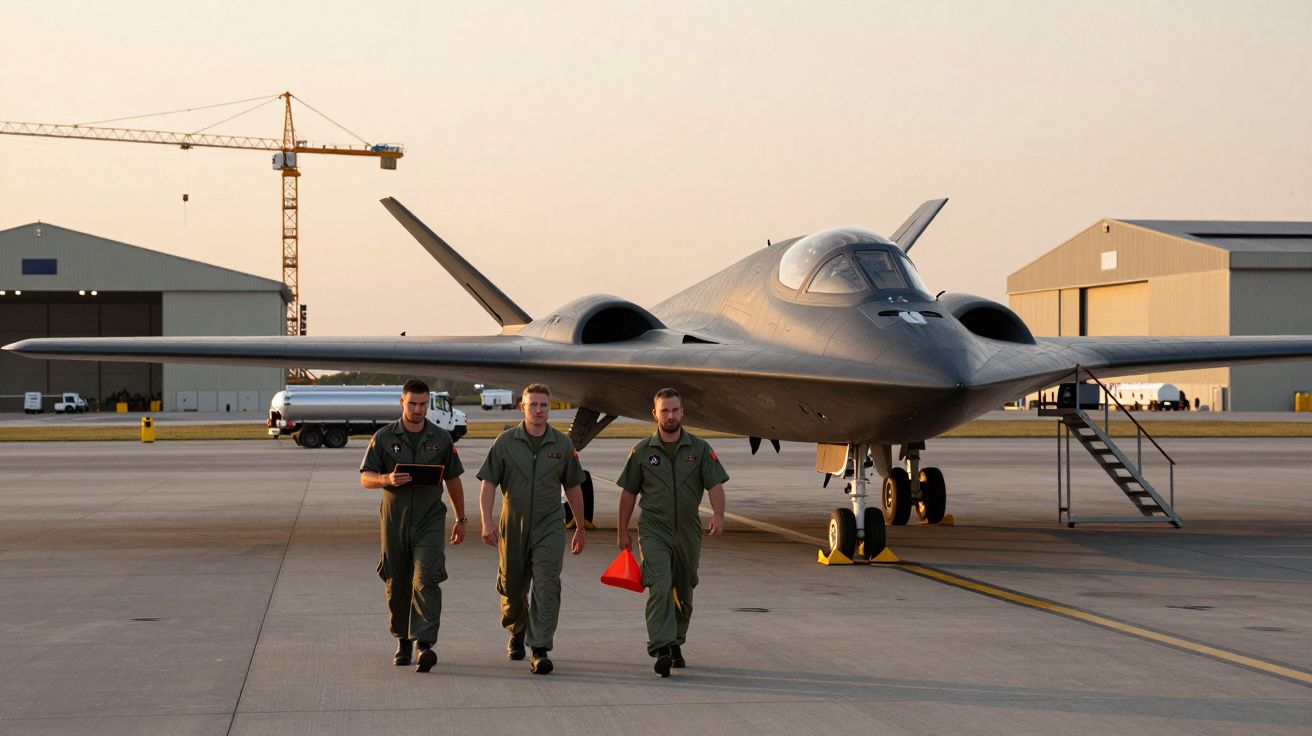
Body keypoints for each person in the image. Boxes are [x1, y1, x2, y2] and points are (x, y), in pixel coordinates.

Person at [617, 387, 728, 677]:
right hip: (654, 528)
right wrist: (622, 531)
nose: (670, 415)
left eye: (675, 410)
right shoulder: (642, 451)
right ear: (655, 414)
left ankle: (677, 640)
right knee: (660, 584)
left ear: (683, 412)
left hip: (688, 530)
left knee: (685, 589)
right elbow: (628, 493)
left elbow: (715, 485)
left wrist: (718, 514)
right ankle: (662, 647)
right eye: (664, 410)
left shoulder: (700, 449)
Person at [478, 383, 587, 674]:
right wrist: (487, 520)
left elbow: (573, 486)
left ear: (549, 409)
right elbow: (489, 483)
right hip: (513, 522)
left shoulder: (562, 445)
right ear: (522, 407)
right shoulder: (505, 442)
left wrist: (579, 525)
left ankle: (540, 648)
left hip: (549, 523)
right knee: (512, 586)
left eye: (544, 406)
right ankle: (517, 630)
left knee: (546, 583)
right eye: (533, 405)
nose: (539, 411)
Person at [359, 379, 466, 673]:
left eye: (422, 404)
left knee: (426, 579)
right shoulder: (383, 437)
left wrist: (461, 518)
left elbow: (453, 479)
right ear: (402, 402)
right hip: (394, 522)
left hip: (430, 521)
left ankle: (425, 644)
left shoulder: (442, 439)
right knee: (397, 582)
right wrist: (386, 479)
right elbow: (365, 476)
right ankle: (403, 640)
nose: (417, 409)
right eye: (412, 403)